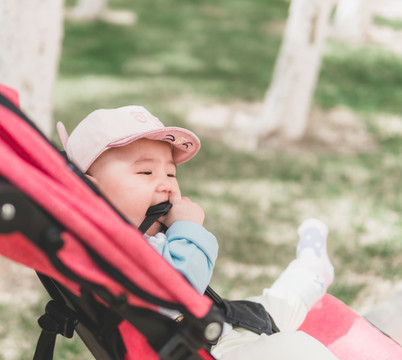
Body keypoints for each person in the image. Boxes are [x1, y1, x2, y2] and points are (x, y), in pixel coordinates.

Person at [57, 105, 338, 359]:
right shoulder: (114, 251)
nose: (166, 185)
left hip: (214, 329)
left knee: (274, 305)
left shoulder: (127, 238)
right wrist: (188, 227)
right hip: (204, 349)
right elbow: (179, 287)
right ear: (91, 190)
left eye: (170, 174)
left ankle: (310, 270)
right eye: (145, 173)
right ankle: (309, 273)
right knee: (292, 347)